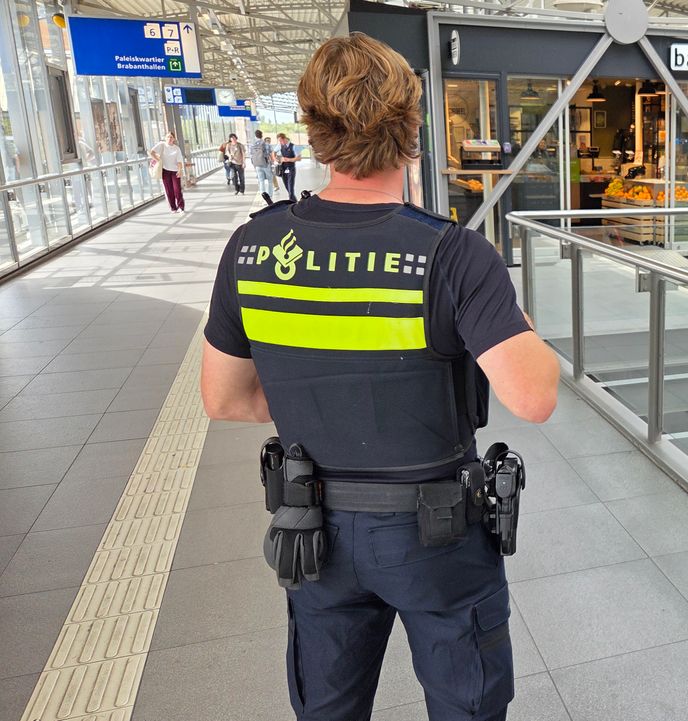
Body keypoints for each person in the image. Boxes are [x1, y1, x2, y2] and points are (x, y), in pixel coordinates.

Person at [199, 32, 559, 721]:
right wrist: (518, 323)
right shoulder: (452, 253)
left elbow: (225, 397)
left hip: (311, 528)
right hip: (438, 535)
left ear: (312, 129)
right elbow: (534, 396)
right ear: (412, 129)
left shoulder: (253, 246)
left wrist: (321, 386)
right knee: (466, 704)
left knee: (328, 708)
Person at [149, 131, 185, 213]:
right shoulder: (162, 145)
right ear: (165, 138)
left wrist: (180, 170)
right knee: (169, 191)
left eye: (171, 137)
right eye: (168, 137)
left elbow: (179, 161)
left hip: (175, 171)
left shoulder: (176, 148)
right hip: (165, 171)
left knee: (177, 190)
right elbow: (151, 152)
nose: (169, 138)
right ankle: (173, 208)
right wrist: (158, 160)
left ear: (174, 139)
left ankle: (181, 207)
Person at [249, 129, 273, 202]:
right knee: (270, 180)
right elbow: (271, 154)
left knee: (261, 181)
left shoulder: (252, 145)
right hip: (266, 164)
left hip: (257, 165)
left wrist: (254, 164)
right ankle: (270, 196)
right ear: (262, 135)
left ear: (255, 136)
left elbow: (251, 155)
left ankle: (263, 197)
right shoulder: (266, 144)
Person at [276, 131, 299, 201]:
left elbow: (299, 158)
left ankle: (292, 201)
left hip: (291, 168)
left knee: (290, 186)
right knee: (287, 186)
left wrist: (289, 159)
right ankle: (294, 201)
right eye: (279, 141)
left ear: (284, 138)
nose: (280, 142)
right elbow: (274, 153)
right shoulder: (280, 146)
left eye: (281, 140)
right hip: (283, 168)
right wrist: (278, 159)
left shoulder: (293, 146)